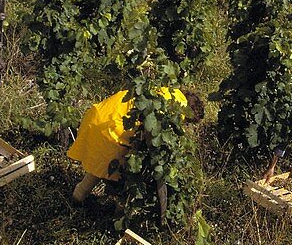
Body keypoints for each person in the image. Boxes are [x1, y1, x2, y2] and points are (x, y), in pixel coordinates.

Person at [69, 87, 204, 203]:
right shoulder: (177, 113)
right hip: (112, 132)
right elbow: (154, 137)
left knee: (98, 166)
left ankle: (77, 198)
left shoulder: (168, 91)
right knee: (120, 179)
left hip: (99, 116)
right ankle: (112, 217)